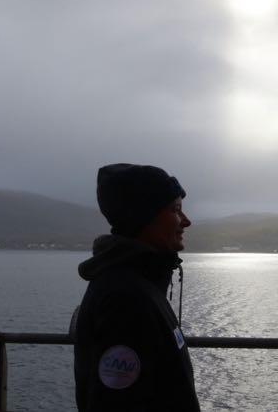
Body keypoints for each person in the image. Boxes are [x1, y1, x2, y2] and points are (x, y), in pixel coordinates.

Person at [74, 163, 200, 412]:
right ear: (145, 217)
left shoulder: (138, 285)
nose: (186, 221)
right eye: (176, 210)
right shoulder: (125, 300)